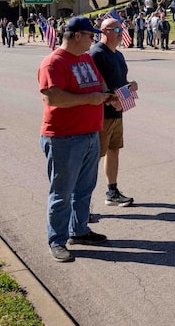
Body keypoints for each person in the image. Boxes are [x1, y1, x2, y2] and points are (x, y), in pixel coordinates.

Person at [38, 16, 119, 262]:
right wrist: (90, 99)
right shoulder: (53, 62)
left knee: (84, 189)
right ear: (76, 36)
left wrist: (108, 96)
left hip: (90, 134)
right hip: (64, 138)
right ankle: (57, 240)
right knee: (62, 192)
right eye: (89, 36)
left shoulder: (84, 58)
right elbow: (52, 98)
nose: (93, 40)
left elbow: (98, 83)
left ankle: (79, 230)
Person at [89, 17, 139, 209]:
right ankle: (85, 202)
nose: (121, 34)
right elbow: (93, 86)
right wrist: (111, 99)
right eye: (118, 31)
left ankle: (112, 191)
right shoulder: (96, 54)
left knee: (114, 150)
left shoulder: (117, 55)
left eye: (121, 30)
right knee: (95, 156)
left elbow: (119, 82)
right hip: (101, 114)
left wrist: (130, 87)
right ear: (106, 31)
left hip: (118, 111)